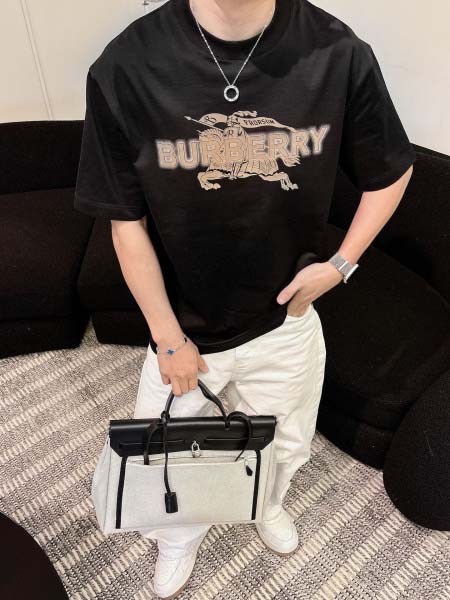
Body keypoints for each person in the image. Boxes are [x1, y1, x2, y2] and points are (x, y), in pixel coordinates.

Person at [74, 0, 416, 597]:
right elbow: (125, 224)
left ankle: (266, 505)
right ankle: (179, 537)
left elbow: (391, 170)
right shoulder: (126, 65)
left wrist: (340, 265)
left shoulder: (337, 52)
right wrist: (167, 339)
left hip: (287, 320)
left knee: (286, 443)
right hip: (185, 332)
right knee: (168, 455)